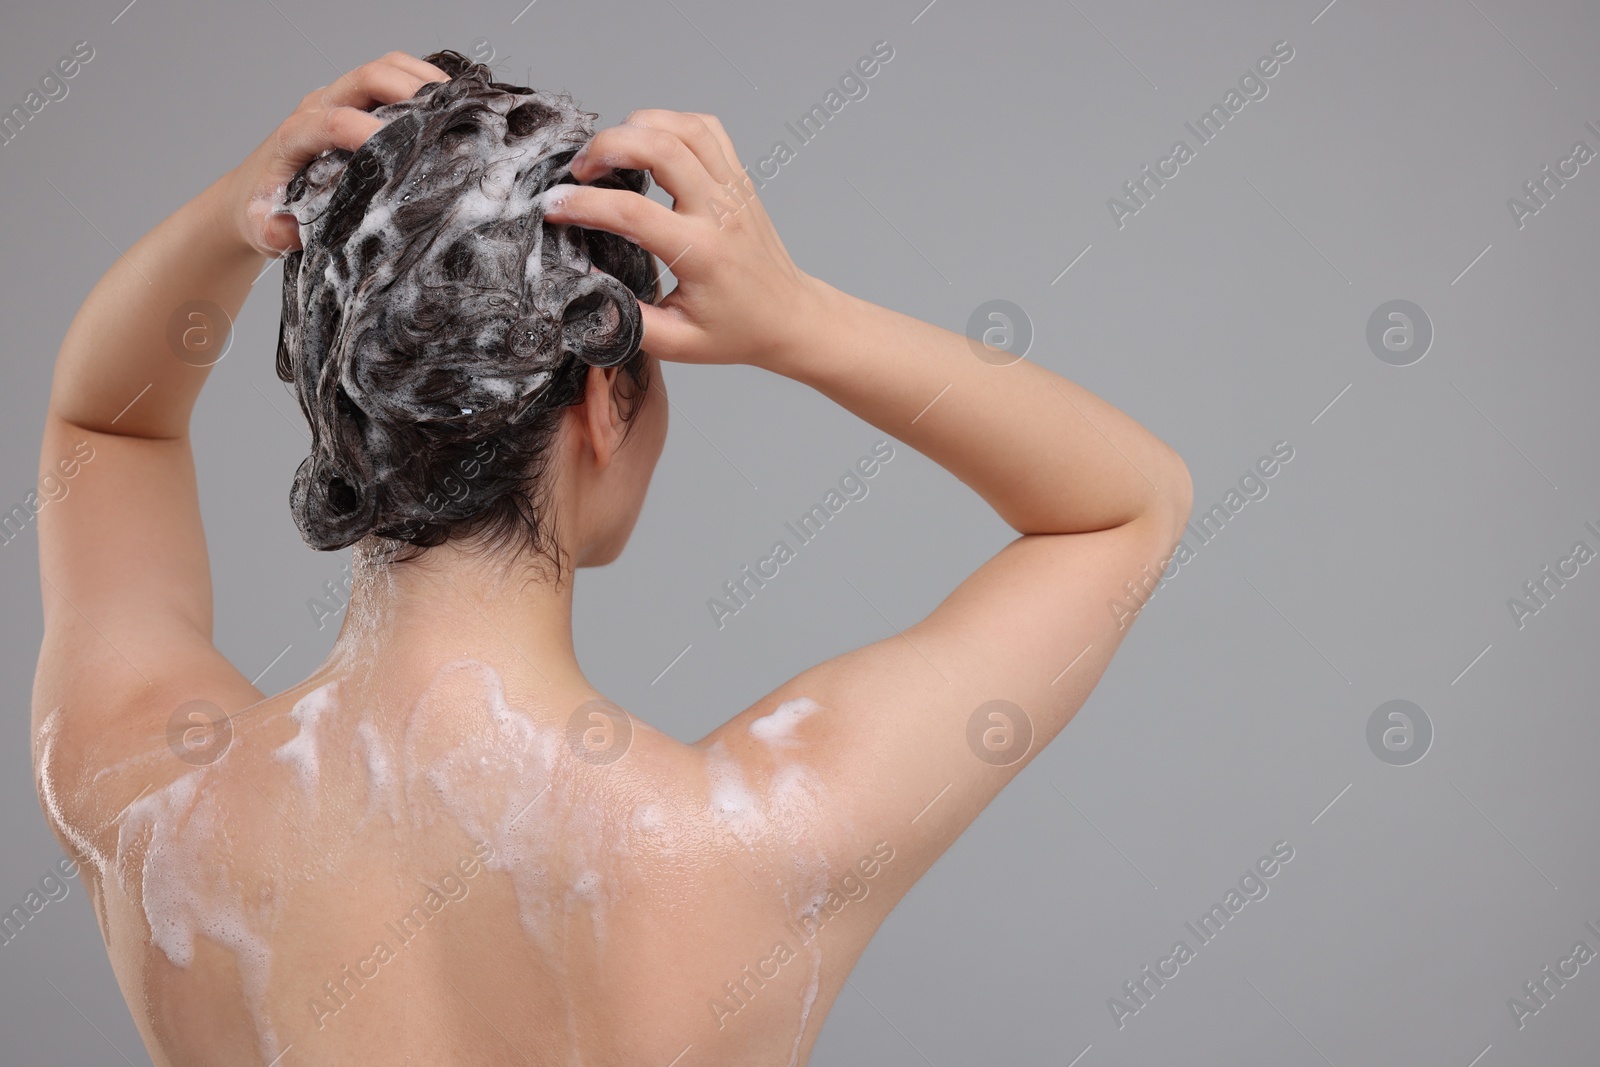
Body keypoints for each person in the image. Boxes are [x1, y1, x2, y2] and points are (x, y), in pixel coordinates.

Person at [31, 49, 1192, 1067]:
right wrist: (799, 318)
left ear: (345, 395)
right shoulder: (753, 844)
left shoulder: (150, 806)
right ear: (603, 401)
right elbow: (1122, 507)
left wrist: (239, 214)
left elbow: (104, 424)